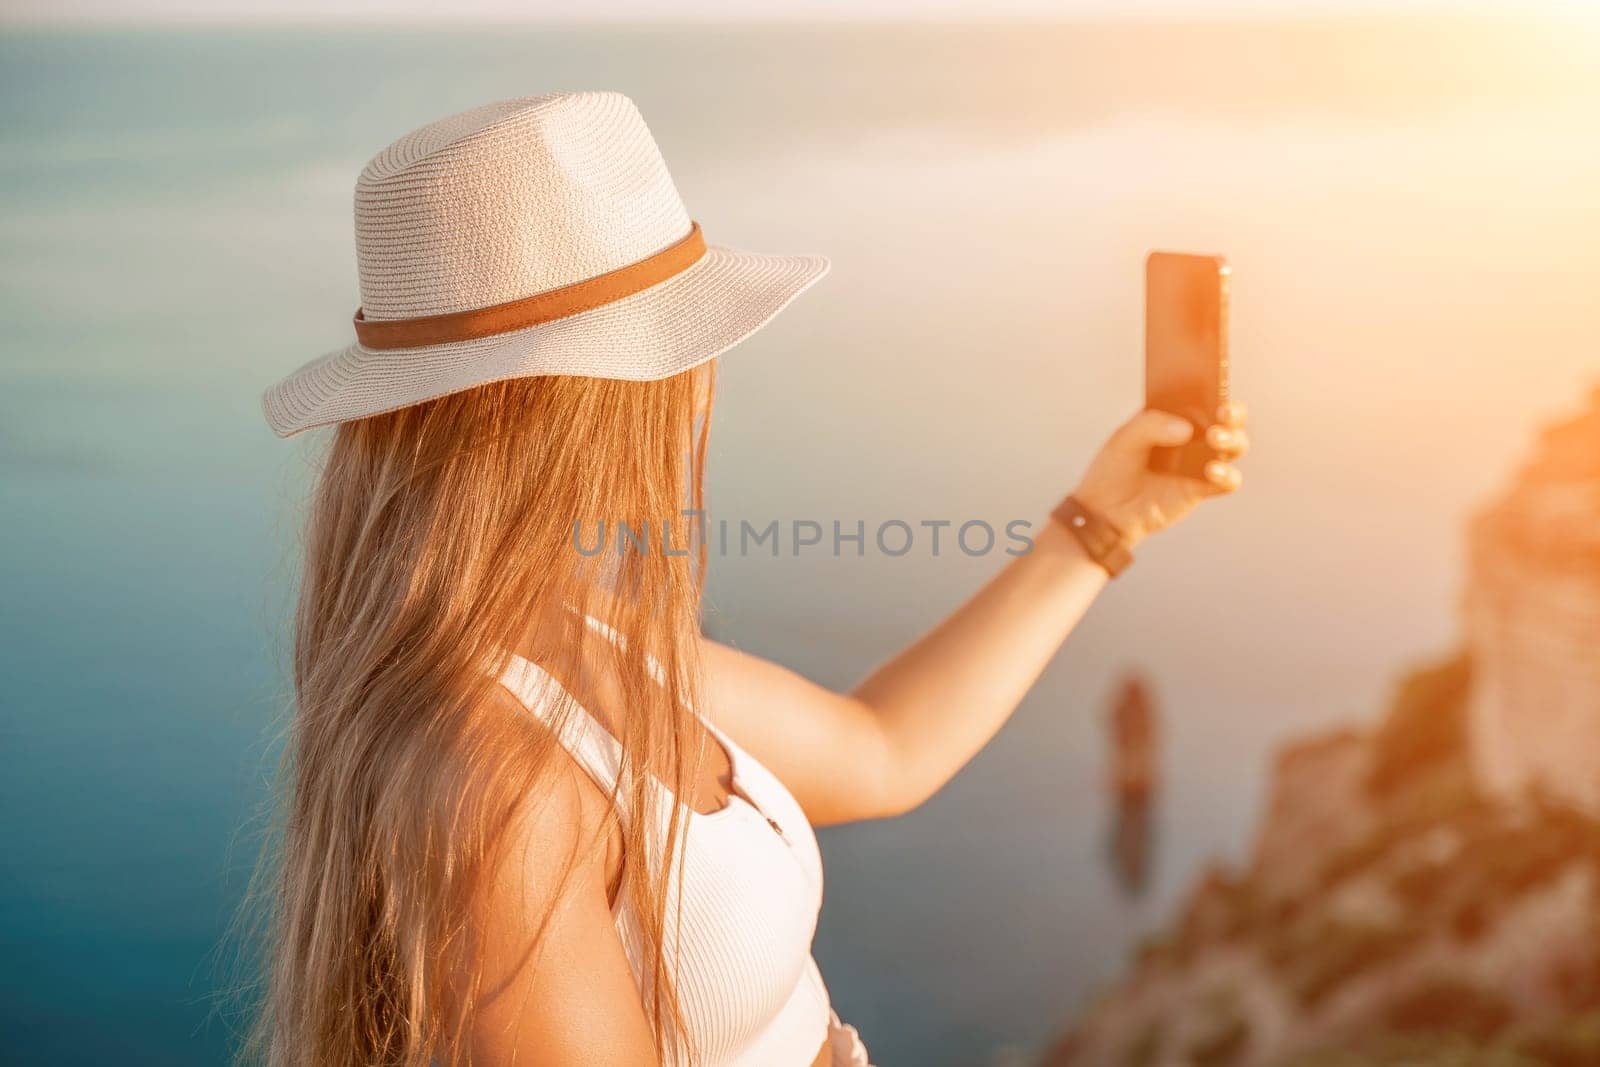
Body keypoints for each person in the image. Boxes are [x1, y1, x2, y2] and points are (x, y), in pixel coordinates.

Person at [252, 92, 1248, 1067]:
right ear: (606, 398)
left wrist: (1100, 526)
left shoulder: (561, 628)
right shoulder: (495, 778)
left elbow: (879, 750)